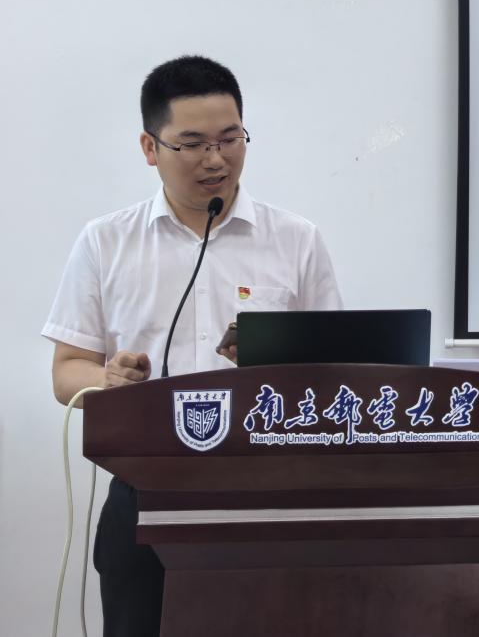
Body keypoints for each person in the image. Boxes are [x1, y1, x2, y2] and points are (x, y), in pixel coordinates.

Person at [43, 55, 342, 637]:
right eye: (193, 144)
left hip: (271, 495)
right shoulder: (106, 242)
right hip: (145, 493)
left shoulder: (296, 240)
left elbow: (334, 369)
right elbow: (66, 372)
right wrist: (107, 380)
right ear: (150, 148)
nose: (216, 159)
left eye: (231, 139)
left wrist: (279, 363)